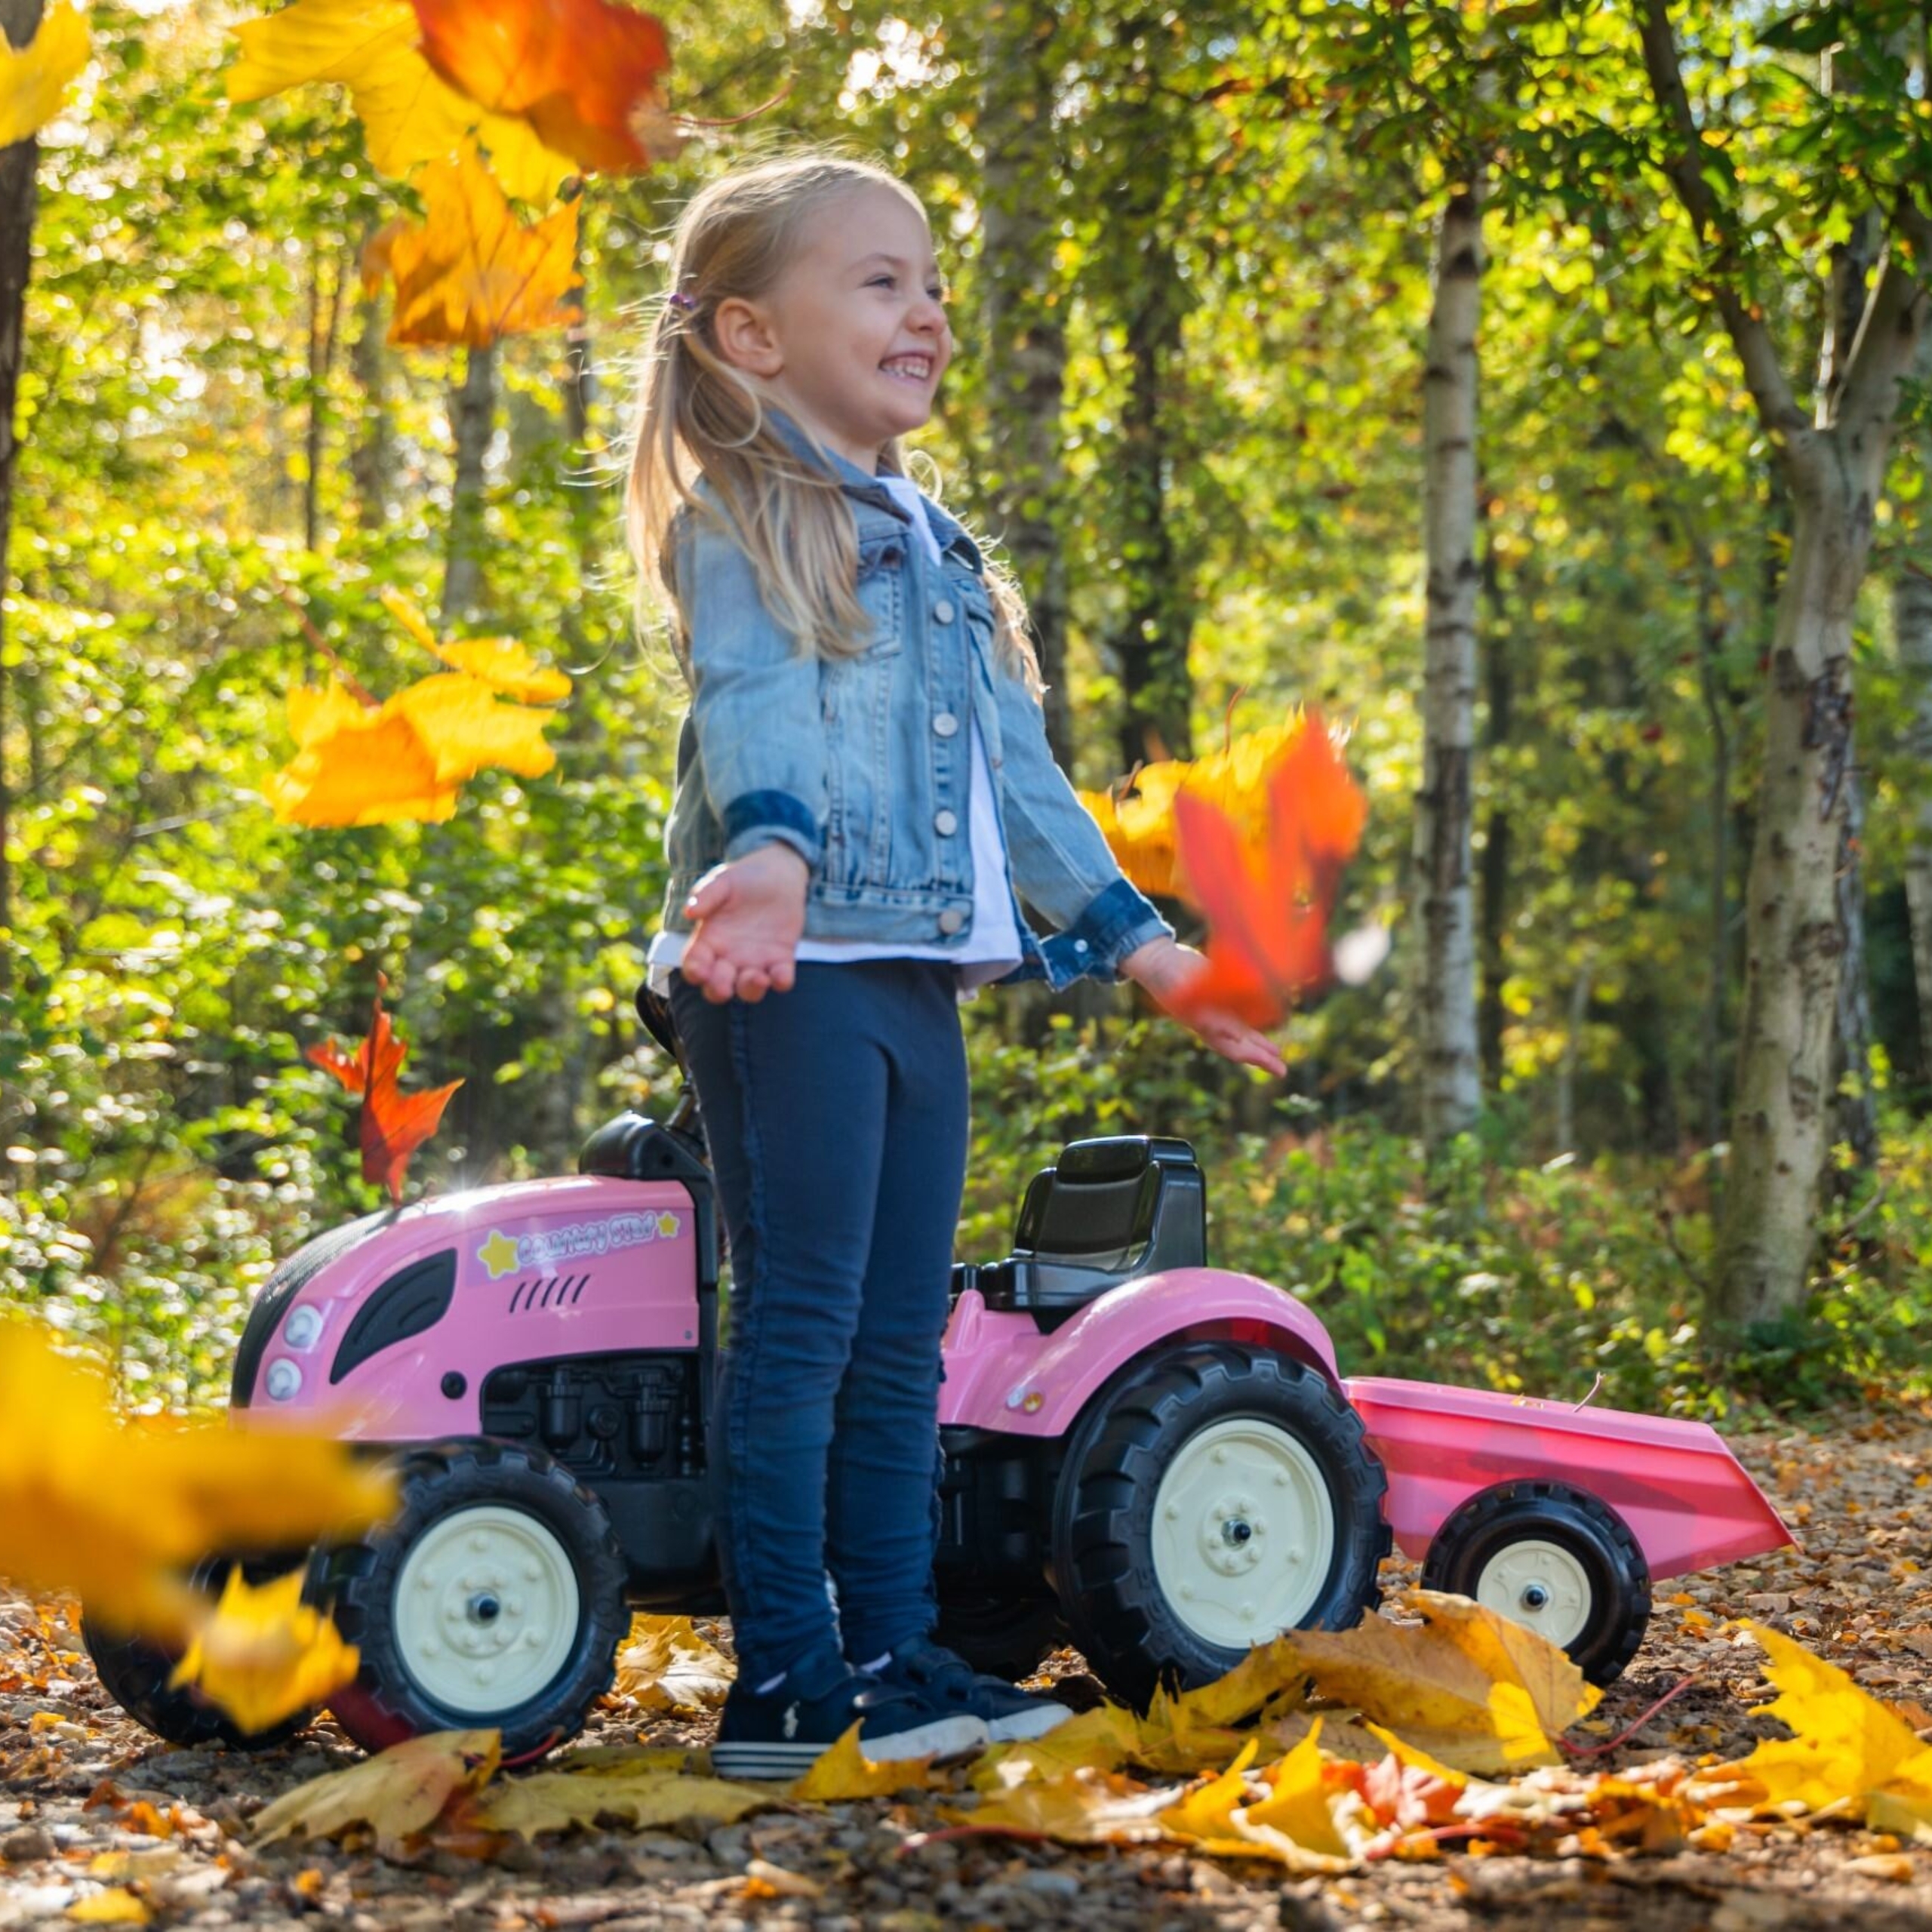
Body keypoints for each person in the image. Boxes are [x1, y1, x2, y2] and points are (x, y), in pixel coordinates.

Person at [622, 149, 1286, 1780]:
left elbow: (1021, 777)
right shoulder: (750, 516)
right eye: (877, 280)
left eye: (929, 282)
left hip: (914, 974)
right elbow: (749, 705)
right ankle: (786, 1678)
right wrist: (765, 855)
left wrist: (1142, 946)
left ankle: (898, 1659)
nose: (923, 310)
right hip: (786, 972)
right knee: (801, 1322)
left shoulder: (938, 543)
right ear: (751, 335)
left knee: (899, 1336)